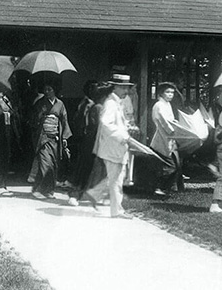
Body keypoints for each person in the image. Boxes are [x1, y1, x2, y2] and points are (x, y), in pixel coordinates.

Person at [84, 74, 137, 219]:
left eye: (127, 87)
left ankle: (95, 194)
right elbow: (106, 123)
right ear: (115, 87)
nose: (126, 90)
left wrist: (127, 128)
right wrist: (123, 136)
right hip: (113, 147)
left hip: (117, 147)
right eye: (123, 87)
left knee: (117, 177)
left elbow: (117, 123)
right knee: (117, 180)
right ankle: (116, 211)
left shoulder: (118, 102)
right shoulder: (111, 103)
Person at [67, 82, 111, 206]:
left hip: (96, 141)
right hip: (92, 142)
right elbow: (100, 126)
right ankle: (75, 195)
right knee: (85, 169)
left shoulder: (97, 107)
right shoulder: (97, 108)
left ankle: (97, 195)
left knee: (98, 170)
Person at [30, 83, 72, 199]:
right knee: (45, 163)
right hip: (43, 138)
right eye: (45, 90)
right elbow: (34, 119)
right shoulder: (40, 103)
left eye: (49, 89)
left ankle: (46, 190)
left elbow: (64, 120)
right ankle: (40, 190)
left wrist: (64, 138)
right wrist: (42, 115)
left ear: (55, 90)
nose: (47, 92)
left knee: (53, 165)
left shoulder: (60, 104)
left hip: (55, 138)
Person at [149, 82, 182, 196]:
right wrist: (172, 129)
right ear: (161, 93)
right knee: (169, 166)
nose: (170, 95)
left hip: (169, 138)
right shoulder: (159, 105)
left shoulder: (167, 105)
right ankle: (159, 187)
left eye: (172, 92)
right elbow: (164, 122)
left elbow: (171, 120)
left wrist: (176, 125)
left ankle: (166, 188)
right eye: (167, 92)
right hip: (162, 137)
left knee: (175, 165)